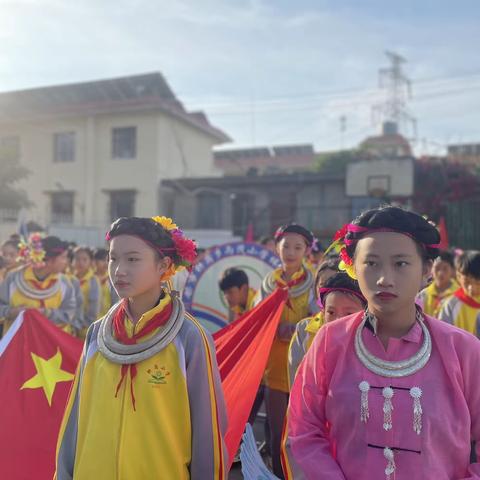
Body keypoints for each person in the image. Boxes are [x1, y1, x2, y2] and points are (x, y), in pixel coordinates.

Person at [284, 206, 480, 480]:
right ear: (353, 267)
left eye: (400, 263)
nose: (384, 279)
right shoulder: (330, 342)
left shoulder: (464, 350)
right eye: (371, 263)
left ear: (426, 270)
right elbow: (304, 429)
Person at [55, 216, 227, 480]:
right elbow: (75, 420)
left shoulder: (188, 338)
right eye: (113, 258)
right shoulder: (97, 334)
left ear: (164, 265)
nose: (119, 270)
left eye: (133, 259)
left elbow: (208, 434)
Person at [255, 223, 317, 478]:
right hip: (273, 365)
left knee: (297, 432)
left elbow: (319, 319)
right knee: (275, 429)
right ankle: (277, 473)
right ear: (277, 247)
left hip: (302, 368)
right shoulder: (268, 283)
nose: (290, 252)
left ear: (306, 252)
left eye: (297, 247)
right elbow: (256, 319)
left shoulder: (313, 282)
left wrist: (294, 328)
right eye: (286, 246)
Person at [288, 272, 366, 386]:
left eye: (349, 313)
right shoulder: (305, 333)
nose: (338, 320)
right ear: (323, 312)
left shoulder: (372, 345)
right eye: (331, 312)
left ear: (365, 313)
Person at [0, 234, 77, 335]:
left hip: (51, 344)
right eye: (63, 257)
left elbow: (68, 314)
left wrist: (45, 313)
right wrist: (13, 312)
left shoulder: (65, 283)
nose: (66, 262)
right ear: (49, 260)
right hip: (17, 342)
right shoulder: (13, 278)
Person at [438, 250, 480, 337]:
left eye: (477, 282)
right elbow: (443, 337)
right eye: (467, 282)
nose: (471, 287)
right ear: (458, 276)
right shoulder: (450, 305)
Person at [416, 250, 457, 317]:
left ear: (453, 270)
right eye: (437, 268)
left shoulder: (458, 294)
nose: (440, 273)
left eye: (445, 268)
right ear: (431, 269)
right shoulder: (423, 294)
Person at [72, 246, 101, 336]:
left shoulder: (93, 280)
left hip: (86, 328)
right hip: (71, 327)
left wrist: (83, 324)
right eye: (77, 259)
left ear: (90, 262)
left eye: (84, 260)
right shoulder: (70, 279)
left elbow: (94, 306)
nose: (80, 263)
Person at [93, 247, 118, 317]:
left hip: (107, 317)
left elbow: (115, 301)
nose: (105, 263)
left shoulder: (111, 279)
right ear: (95, 261)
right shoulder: (90, 279)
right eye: (102, 260)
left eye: (108, 260)